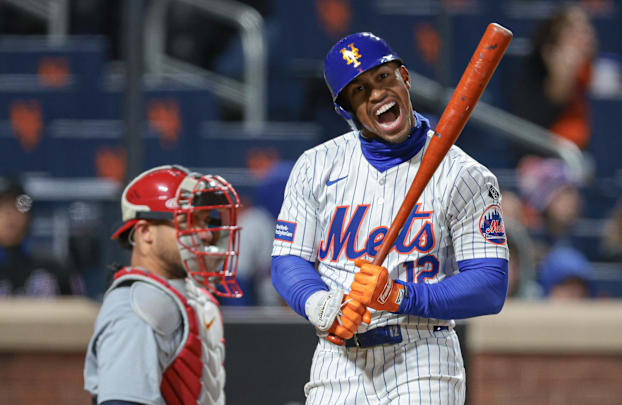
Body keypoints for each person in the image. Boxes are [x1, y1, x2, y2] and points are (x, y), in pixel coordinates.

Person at [271, 33, 509, 403]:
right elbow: (288, 259)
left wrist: (399, 295)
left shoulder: (464, 174)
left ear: (405, 78)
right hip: (338, 358)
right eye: (360, 90)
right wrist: (320, 304)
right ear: (347, 109)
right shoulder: (316, 165)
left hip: (422, 355)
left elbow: (490, 284)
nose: (377, 94)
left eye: (383, 78)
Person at [84, 165, 243, 405]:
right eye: (187, 221)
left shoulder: (192, 296)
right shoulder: (137, 306)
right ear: (146, 232)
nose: (206, 234)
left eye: (205, 221)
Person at [510, 4, 597, 156]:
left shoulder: (593, 68)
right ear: (556, 35)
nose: (585, 34)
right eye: (573, 29)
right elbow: (548, 108)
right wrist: (564, 75)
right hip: (546, 153)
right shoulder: (543, 62)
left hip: (584, 150)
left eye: (585, 27)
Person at [0, 175, 84, 297]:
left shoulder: (54, 267)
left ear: (29, 215)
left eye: (18, 206)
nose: (10, 214)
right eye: (2, 206)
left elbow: (79, 309)